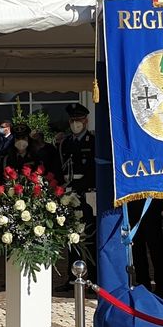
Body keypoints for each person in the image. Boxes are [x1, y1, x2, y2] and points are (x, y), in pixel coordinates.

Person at [57, 103, 97, 291]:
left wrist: (84, 187)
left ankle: (94, 276)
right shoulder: (65, 143)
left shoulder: (93, 141)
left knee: (89, 235)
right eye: (72, 120)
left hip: (87, 192)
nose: (75, 124)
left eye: (79, 120)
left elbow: (94, 169)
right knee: (71, 236)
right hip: (68, 193)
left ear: (86, 120)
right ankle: (73, 277)